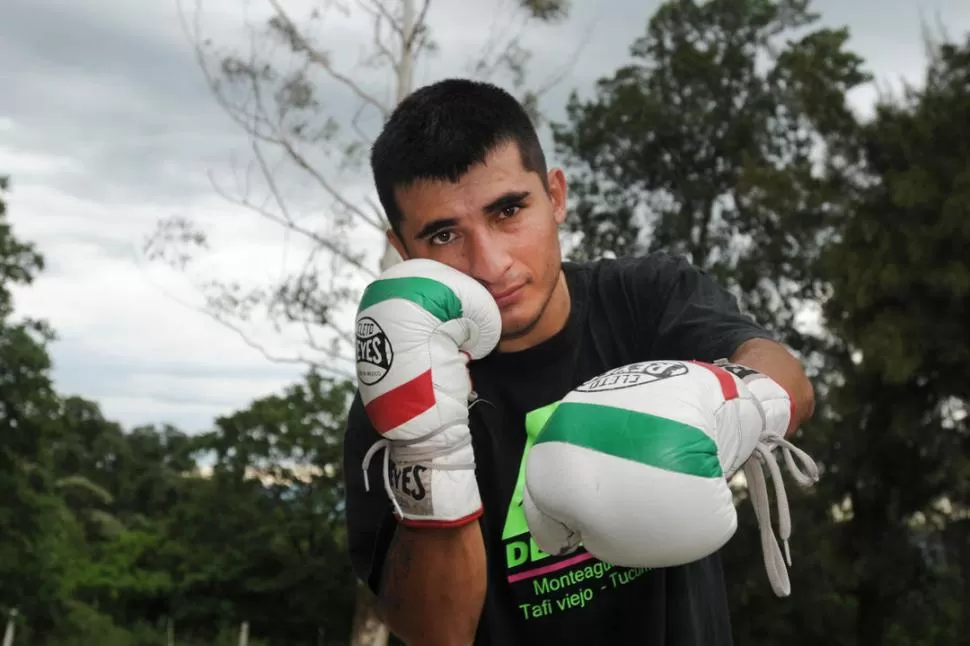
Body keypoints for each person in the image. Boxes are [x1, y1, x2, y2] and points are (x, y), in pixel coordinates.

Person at [343, 78, 816, 646]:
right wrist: (430, 455)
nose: (490, 264)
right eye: (444, 234)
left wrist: (730, 402)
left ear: (556, 196)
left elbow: (789, 379)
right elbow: (434, 633)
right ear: (403, 250)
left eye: (508, 210)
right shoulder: (393, 392)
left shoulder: (646, 299)